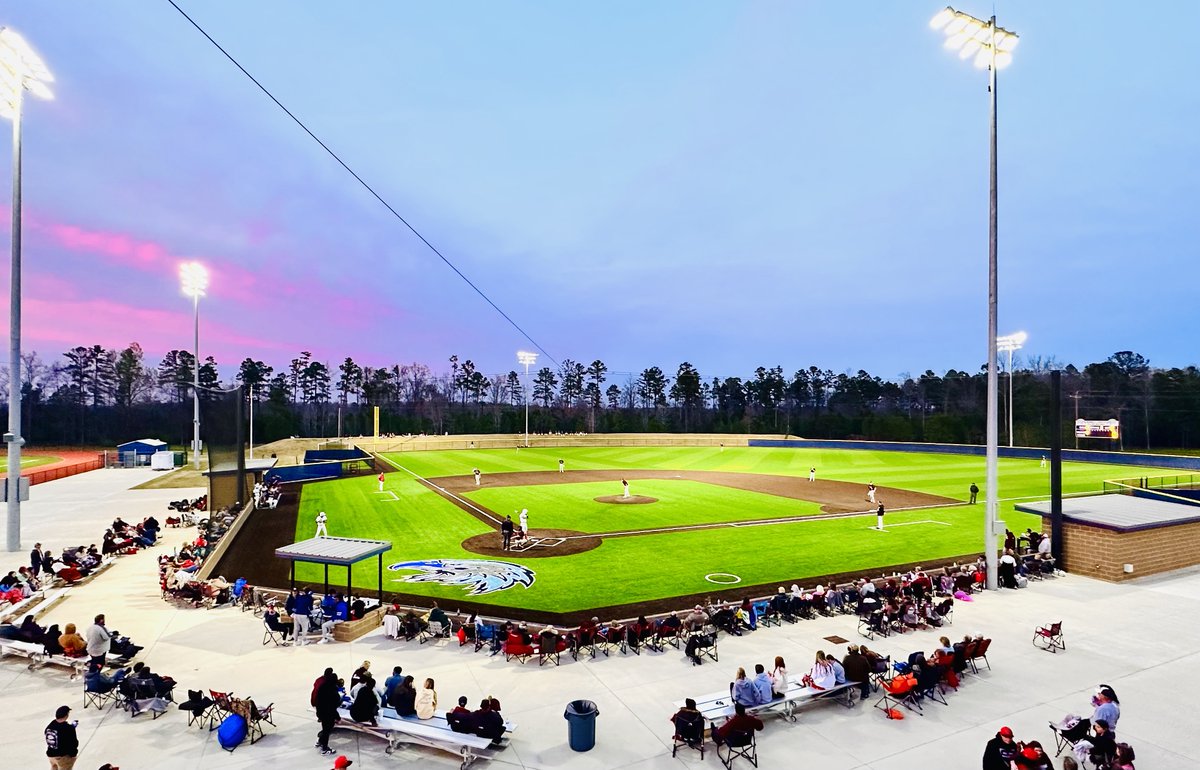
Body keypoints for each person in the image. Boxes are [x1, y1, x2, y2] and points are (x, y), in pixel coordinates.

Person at [313, 669, 341, 756]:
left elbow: (318, 700)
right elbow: (333, 706)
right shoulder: (333, 691)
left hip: (321, 712)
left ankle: (320, 741)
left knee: (326, 729)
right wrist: (337, 717)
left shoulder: (323, 686)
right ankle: (324, 749)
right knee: (327, 730)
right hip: (328, 714)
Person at [45, 705, 79, 769]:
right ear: (66, 715)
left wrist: (71, 727)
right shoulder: (68, 729)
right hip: (62, 757)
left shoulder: (52, 724)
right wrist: (73, 755)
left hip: (51, 755)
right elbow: (73, 743)